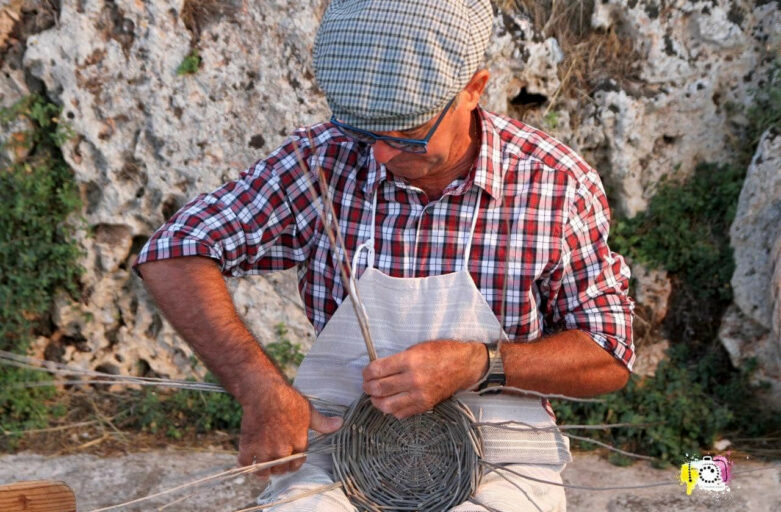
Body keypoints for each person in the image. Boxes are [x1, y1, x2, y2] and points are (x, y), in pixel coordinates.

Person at [135, 0, 634, 509]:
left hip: (502, 458)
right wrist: (258, 387)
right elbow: (174, 252)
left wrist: (478, 364)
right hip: (342, 448)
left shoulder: (554, 182)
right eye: (363, 132)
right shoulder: (321, 159)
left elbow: (609, 354)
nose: (379, 156)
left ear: (474, 88)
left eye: (407, 135)